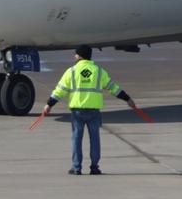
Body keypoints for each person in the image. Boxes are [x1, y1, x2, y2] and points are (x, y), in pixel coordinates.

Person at [45, 46, 139, 175]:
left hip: (77, 111)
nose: (74, 56)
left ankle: (76, 167)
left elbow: (60, 91)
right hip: (94, 112)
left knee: (76, 139)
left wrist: (49, 105)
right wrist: (127, 99)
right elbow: (113, 88)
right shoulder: (99, 71)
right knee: (95, 139)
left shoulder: (71, 71)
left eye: (75, 54)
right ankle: (94, 167)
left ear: (78, 56)